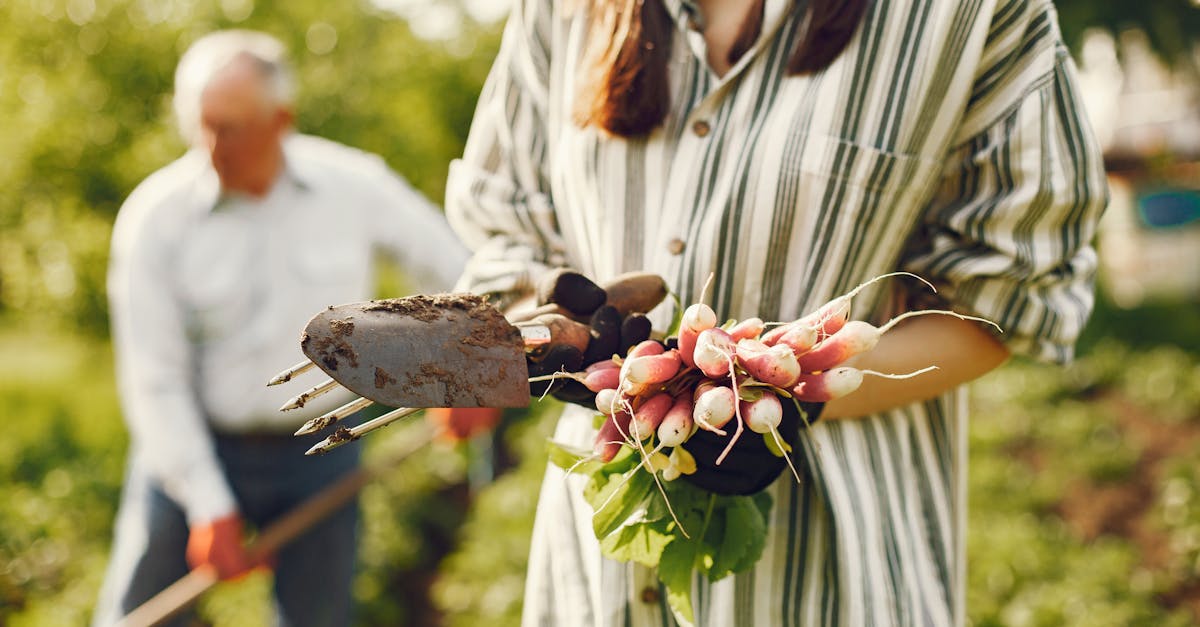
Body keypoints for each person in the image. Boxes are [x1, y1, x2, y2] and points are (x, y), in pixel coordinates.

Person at [444, 0, 1107, 625]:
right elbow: (505, 232)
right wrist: (572, 347)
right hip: (598, 571)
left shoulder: (965, 15)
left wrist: (791, 393)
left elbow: (1008, 297)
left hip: (840, 565)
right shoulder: (560, 11)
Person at [93, 30, 469, 626]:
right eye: (203, 125)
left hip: (321, 451)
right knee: (138, 616)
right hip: (192, 448)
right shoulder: (154, 219)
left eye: (232, 127)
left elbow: (458, 265)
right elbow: (153, 379)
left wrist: (468, 371)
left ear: (281, 118)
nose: (214, 146)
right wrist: (206, 503)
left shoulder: (354, 187)